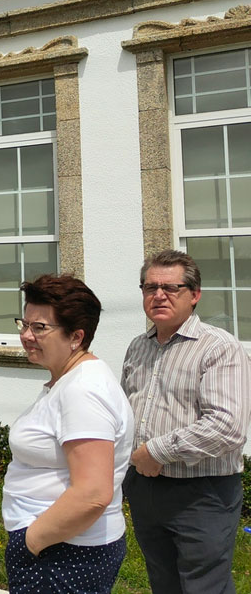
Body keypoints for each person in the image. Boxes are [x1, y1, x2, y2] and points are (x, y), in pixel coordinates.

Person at [120, 249, 251, 594]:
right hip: (145, 488)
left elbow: (227, 426)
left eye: (171, 288)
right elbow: (125, 410)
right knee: (163, 582)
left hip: (202, 492)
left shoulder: (219, 348)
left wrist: (156, 452)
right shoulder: (138, 347)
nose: (158, 295)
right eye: (150, 288)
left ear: (194, 295)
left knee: (204, 586)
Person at [3, 274, 134, 593]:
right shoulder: (70, 380)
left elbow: (92, 494)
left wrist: (30, 542)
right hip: (59, 546)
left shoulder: (83, 390)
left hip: (64, 553)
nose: (26, 335)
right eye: (24, 323)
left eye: (40, 328)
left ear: (76, 337)